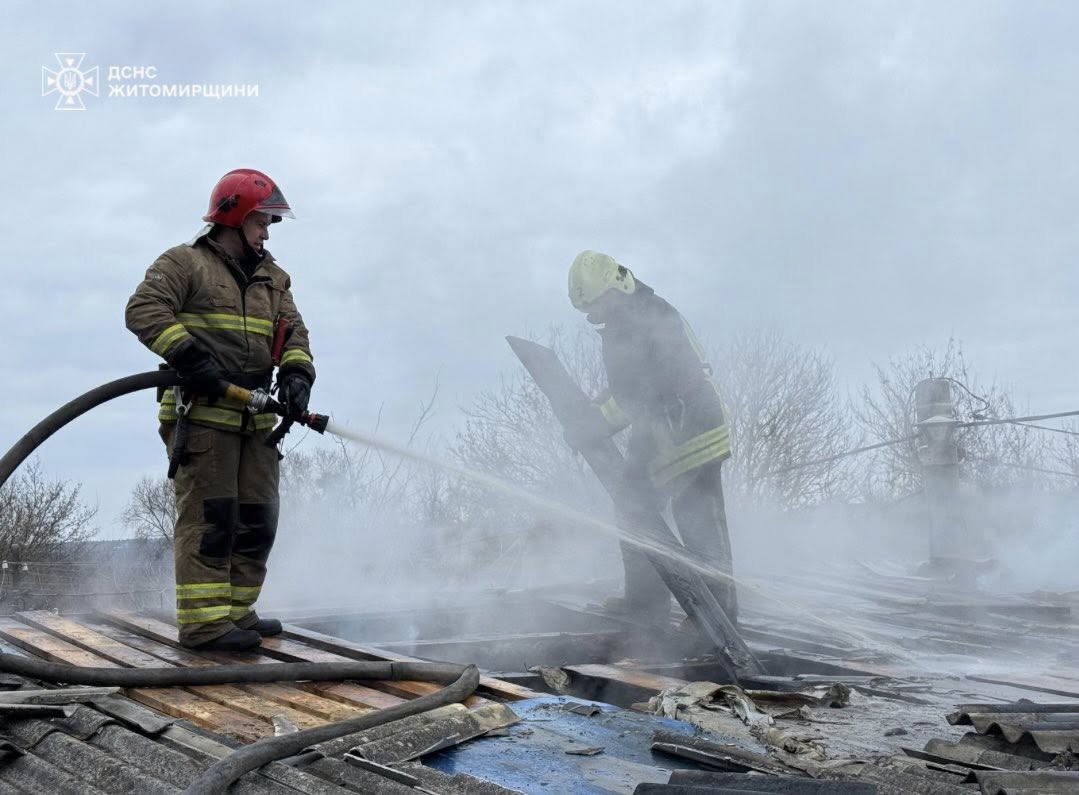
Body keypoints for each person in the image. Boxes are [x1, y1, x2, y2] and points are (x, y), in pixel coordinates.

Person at [126, 169, 315, 651]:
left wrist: (297, 375)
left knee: (257, 518)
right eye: (261, 222)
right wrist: (190, 357)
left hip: (258, 417)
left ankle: (236, 613)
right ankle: (205, 625)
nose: (267, 232)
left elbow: (293, 332)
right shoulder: (185, 263)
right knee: (213, 519)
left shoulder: (273, 276)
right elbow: (144, 309)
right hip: (204, 413)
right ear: (234, 217)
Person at [565, 250, 738, 624]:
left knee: (697, 517)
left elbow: (640, 394)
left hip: (691, 427)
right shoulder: (629, 320)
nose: (593, 316)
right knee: (631, 503)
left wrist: (594, 424)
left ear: (616, 288)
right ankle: (645, 603)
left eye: (595, 305)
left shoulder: (648, 318)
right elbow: (632, 392)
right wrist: (596, 413)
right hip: (663, 428)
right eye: (586, 311)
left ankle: (718, 615)